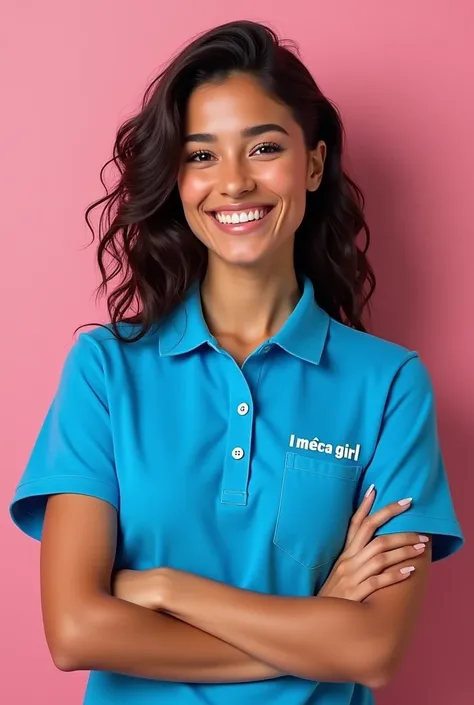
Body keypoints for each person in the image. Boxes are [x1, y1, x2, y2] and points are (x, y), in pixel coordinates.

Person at [9, 18, 464, 705]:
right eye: (201, 156)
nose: (234, 182)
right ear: (177, 178)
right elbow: (75, 630)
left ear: (312, 164)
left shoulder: (390, 385)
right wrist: (317, 628)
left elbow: (372, 650)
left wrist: (163, 588)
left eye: (263, 147)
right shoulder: (105, 371)